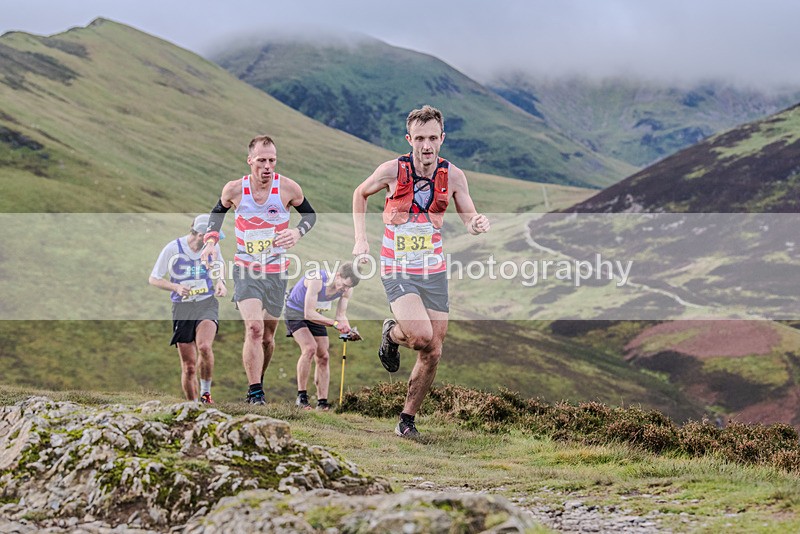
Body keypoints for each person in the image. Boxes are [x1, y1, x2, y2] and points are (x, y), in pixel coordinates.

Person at [352, 105, 490, 439]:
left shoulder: (453, 176)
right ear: (408, 139)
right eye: (419, 138)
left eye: (432, 138)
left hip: (434, 269)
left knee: (434, 350)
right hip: (397, 266)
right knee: (419, 337)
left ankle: (406, 420)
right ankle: (392, 334)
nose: (426, 145)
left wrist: (476, 223)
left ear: (442, 138)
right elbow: (360, 193)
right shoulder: (391, 170)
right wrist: (361, 240)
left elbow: (467, 214)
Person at [200, 135, 317, 405]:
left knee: (267, 336)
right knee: (253, 328)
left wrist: (297, 233)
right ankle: (255, 393)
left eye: (272, 160)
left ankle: (258, 380)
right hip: (246, 269)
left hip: (277, 271)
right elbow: (216, 215)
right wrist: (209, 242)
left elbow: (311, 216)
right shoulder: (234, 190)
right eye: (261, 160)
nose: (267, 166)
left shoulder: (288, 188)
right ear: (250, 160)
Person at [149, 214, 227, 403]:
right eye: (210, 237)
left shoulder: (213, 246)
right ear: (200, 234)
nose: (213, 241)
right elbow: (154, 278)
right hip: (182, 308)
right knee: (189, 366)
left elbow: (220, 265)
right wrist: (176, 287)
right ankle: (192, 407)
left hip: (206, 303)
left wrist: (221, 282)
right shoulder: (173, 249)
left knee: (205, 347)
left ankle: (206, 394)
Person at [285, 262, 360, 411]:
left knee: (323, 356)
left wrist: (348, 329)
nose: (344, 289)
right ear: (338, 275)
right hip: (296, 312)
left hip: (316, 314)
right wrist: (335, 324)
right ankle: (302, 398)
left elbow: (341, 315)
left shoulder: (347, 290)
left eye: (348, 287)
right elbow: (308, 313)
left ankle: (322, 402)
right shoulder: (317, 279)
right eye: (344, 285)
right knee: (309, 348)